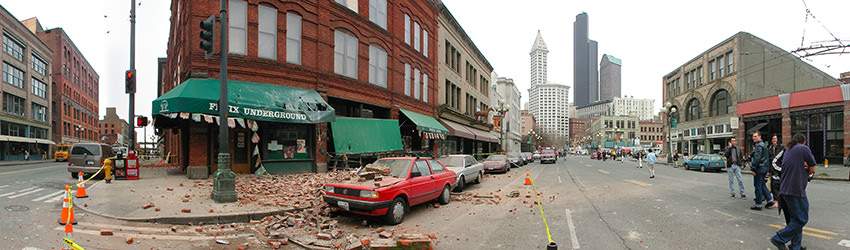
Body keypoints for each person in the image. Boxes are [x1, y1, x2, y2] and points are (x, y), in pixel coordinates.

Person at [770, 133, 816, 250]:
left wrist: (803, 167)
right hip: (796, 190)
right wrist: (807, 168)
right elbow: (812, 169)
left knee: (795, 220)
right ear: (804, 142)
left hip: (784, 191)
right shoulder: (804, 149)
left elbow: (778, 165)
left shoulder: (788, 150)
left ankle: (796, 246)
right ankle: (779, 238)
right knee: (802, 219)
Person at [750, 131, 775, 210]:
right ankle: (769, 200)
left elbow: (757, 158)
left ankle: (758, 204)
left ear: (760, 137)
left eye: (755, 136)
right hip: (764, 167)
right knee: (762, 184)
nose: (754, 138)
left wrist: (753, 168)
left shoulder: (759, 146)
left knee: (757, 186)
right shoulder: (764, 145)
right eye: (753, 136)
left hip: (759, 168)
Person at [768, 134, 785, 209]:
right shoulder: (770, 148)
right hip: (772, 169)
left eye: (775, 138)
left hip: (779, 168)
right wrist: (768, 170)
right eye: (773, 139)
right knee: (773, 185)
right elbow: (769, 160)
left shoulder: (781, 147)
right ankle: (776, 200)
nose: (774, 140)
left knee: (779, 185)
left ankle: (780, 200)